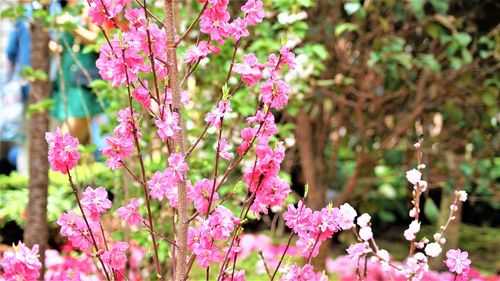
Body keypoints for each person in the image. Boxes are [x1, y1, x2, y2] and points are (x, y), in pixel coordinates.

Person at [50, 0, 105, 145]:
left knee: (65, 139)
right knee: (80, 142)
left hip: (82, 79)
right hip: (65, 78)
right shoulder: (60, 10)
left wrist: (73, 28)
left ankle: (58, 165)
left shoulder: (87, 7)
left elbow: (99, 41)